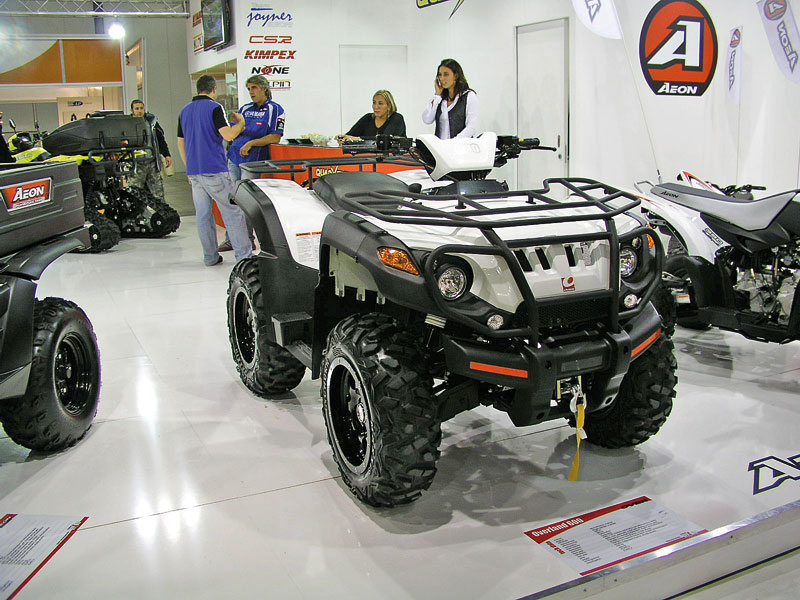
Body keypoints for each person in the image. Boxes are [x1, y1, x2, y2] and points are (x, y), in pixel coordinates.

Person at [177, 74, 252, 266]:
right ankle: (244, 257)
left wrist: (188, 168)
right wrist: (241, 123)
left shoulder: (184, 111)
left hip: (194, 172)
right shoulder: (215, 107)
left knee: (203, 215)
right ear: (214, 89)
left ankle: (210, 257)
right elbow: (228, 135)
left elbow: (180, 142)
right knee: (232, 211)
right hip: (214, 169)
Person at [219, 74, 284, 252]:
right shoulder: (245, 108)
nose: (251, 92)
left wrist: (252, 143)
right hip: (234, 158)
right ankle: (232, 239)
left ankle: (246, 239)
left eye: (254, 88)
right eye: (249, 89)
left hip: (253, 161)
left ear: (264, 88)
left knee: (245, 201)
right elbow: (234, 129)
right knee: (232, 200)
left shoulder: (275, 109)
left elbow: (275, 137)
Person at [422, 58, 479, 139]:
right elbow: (427, 119)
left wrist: (454, 142)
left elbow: (471, 127)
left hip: (461, 145)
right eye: (440, 75)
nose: (442, 78)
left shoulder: (469, 96)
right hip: (440, 146)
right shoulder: (440, 99)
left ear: (456, 76)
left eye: (446, 74)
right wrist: (437, 95)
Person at [130, 99, 171, 201]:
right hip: (136, 164)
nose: (139, 111)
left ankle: (161, 210)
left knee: (158, 193)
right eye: (137, 109)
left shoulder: (152, 122)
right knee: (135, 194)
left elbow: (160, 139)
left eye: (141, 108)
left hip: (152, 162)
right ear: (132, 110)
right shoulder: (127, 124)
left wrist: (166, 154)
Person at [338, 90, 406, 143]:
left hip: (393, 156)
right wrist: (343, 139)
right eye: (374, 102)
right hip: (368, 156)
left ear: (389, 106)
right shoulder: (368, 118)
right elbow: (351, 135)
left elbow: (384, 140)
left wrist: (359, 139)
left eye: (380, 103)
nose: (376, 107)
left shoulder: (396, 118)